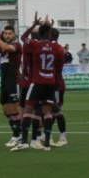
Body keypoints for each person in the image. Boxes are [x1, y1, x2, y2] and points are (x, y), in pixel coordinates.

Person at [13, 21, 64, 151]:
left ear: (39, 34)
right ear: (50, 34)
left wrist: (33, 25)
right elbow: (59, 65)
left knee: (28, 109)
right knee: (47, 112)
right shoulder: (57, 47)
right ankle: (47, 143)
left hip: (37, 82)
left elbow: (24, 38)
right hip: (50, 83)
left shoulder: (35, 44)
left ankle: (24, 141)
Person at [0, 24, 24, 147]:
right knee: (6, 111)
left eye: (10, 33)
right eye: (5, 33)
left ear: (14, 34)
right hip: (4, 82)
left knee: (14, 110)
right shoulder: (2, 48)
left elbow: (5, 46)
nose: (7, 35)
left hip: (13, 81)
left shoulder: (16, 45)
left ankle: (19, 136)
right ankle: (16, 135)